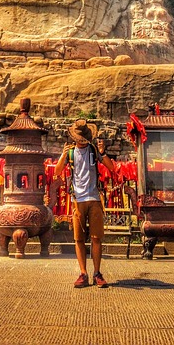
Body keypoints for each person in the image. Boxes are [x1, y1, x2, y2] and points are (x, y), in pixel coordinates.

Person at [55, 119, 114, 288]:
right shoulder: (70, 153)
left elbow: (111, 167)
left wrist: (103, 153)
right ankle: (83, 273)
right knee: (79, 239)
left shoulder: (94, 150)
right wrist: (63, 155)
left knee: (96, 238)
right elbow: (57, 171)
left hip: (94, 199)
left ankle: (97, 273)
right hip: (77, 200)